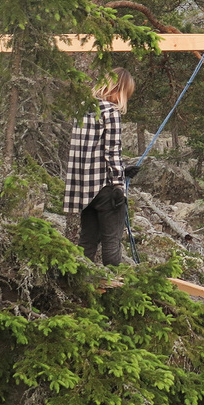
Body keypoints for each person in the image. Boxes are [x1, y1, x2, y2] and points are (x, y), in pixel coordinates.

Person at [63, 68, 139, 265]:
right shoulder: (111, 112)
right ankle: (113, 289)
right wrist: (118, 184)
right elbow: (112, 151)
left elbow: (91, 150)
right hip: (106, 189)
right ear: (119, 90)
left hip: (84, 189)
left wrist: (124, 169)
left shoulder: (83, 108)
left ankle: (79, 283)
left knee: (86, 241)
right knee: (111, 242)